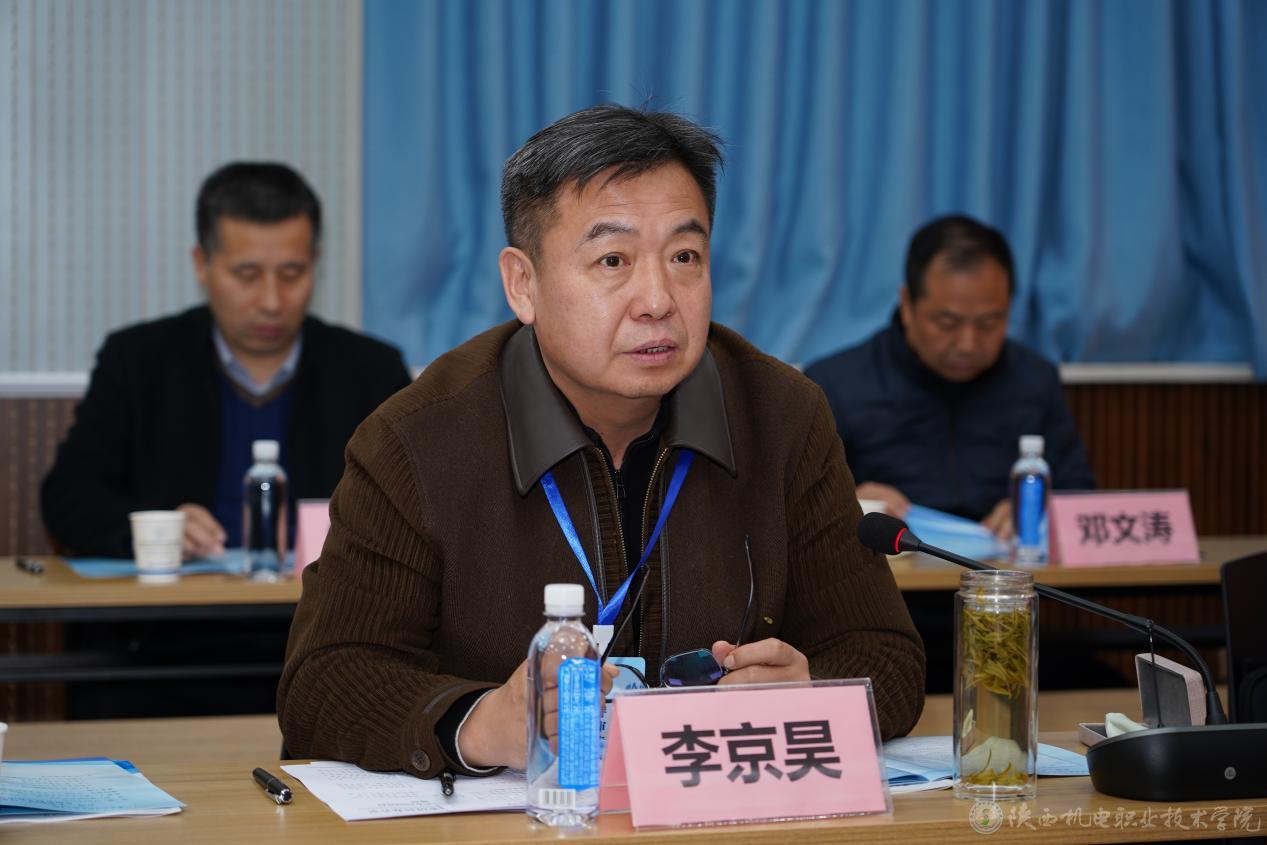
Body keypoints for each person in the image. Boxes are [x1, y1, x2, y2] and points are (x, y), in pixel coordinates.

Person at [278, 105, 925, 780]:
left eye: (684, 257)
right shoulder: (417, 439)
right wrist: (480, 722)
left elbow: (886, 654)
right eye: (613, 260)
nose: (657, 299)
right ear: (522, 283)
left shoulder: (781, 417)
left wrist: (814, 695)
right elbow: (325, 680)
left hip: (715, 810)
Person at [41, 162, 412, 559]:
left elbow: (419, 507)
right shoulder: (138, 361)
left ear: (315, 265)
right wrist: (160, 529)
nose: (271, 301)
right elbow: (68, 496)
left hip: (324, 595)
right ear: (201, 264)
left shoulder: (371, 372)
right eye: (247, 275)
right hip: (182, 595)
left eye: (291, 274)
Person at [805, 215, 1095, 537]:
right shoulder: (835, 385)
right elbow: (797, 509)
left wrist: (1041, 512)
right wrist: (850, 503)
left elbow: (1079, 495)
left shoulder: (1035, 380)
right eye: (947, 323)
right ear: (907, 305)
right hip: (888, 566)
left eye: (988, 323)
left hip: (1005, 564)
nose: (968, 345)